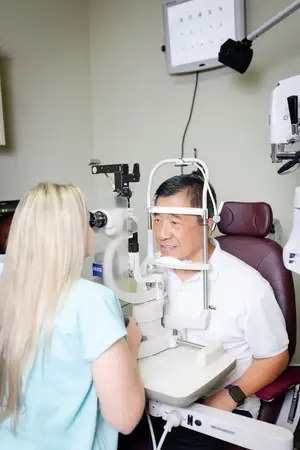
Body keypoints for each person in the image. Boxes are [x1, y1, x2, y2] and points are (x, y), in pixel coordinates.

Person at [118, 171, 289, 450]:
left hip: (217, 408)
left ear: (207, 224)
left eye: (175, 222)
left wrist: (228, 396)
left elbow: (276, 356)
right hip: (155, 399)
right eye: (157, 220)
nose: (162, 234)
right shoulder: (153, 272)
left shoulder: (247, 285)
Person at [0, 182, 145, 450]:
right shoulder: (90, 301)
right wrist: (131, 345)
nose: (94, 229)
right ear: (73, 232)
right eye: (88, 220)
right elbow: (125, 418)